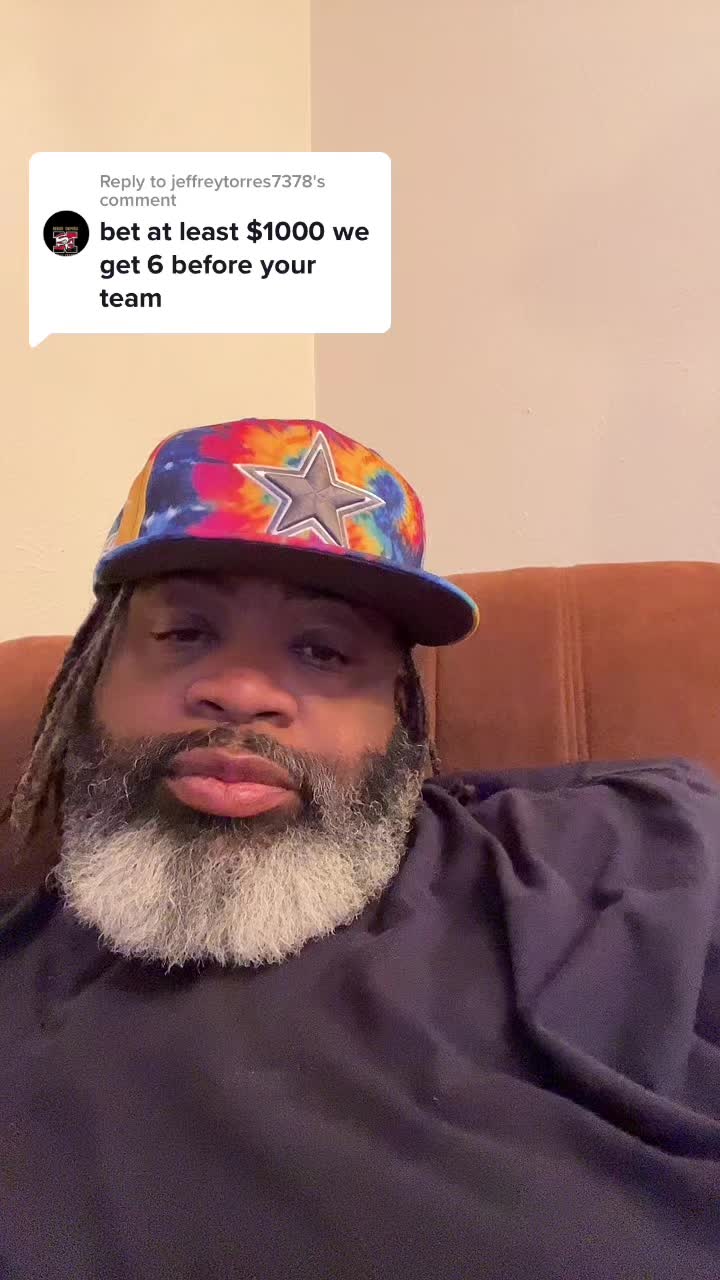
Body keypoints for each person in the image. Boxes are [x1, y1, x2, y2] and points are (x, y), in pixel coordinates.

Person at [1, 417, 719, 1280]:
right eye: (186, 633)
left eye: (322, 649)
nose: (243, 692)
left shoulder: (637, 847)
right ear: (89, 683)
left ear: (400, 719)